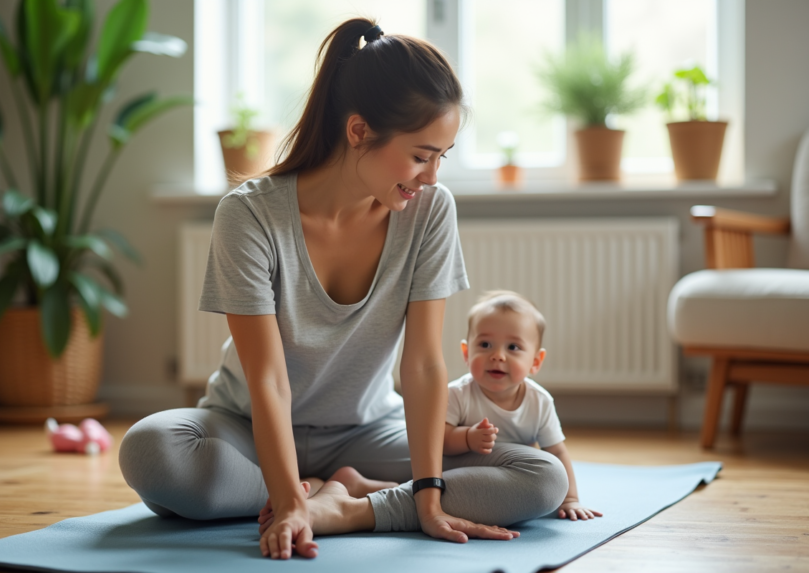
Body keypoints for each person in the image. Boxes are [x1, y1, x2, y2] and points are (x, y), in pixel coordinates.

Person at [118, 18, 568, 561]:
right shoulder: (249, 215)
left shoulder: (429, 211)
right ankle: (310, 492)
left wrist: (429, 497)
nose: (431, 176)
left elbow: (424, 364)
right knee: (152, 451)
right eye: (420, 156)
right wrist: (287, 499)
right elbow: (267, 378)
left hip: (368, 431)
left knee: (542, 477)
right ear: (358, 131)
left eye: (441, 157)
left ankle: (347, 506)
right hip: (248, 426)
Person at [443, 291, 603, 521]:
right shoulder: (457, 394)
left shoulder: (539, 401)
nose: (498, 356)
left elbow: (556, 451)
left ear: (535, 362)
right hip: (463, 469)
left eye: (513, 347)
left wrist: (570, 499)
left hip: (510, 475)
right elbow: (440, 441)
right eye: (485, 344)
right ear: (467, 353)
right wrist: (467, 438)